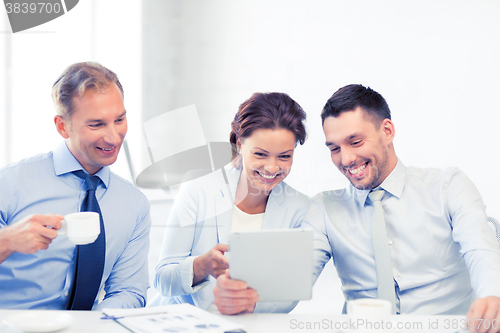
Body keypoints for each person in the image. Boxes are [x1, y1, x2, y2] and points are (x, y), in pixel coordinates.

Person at [213, 84, 500, 330]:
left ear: (387, 131)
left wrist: (492, 296)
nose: (346, 158)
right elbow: (294, 280)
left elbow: (480, 249)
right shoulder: (324, 209)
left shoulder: (448, 186)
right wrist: (252, 298)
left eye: (355, 141)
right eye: (334, 148)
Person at [0, 62, 151, 310]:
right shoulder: (9, 184)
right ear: (62, 126)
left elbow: (128, 290)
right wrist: (6, 241)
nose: (114, 137)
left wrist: (93, 325)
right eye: (96, 124)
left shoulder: (134, 204)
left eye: (120, 119)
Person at [153, 92, 310, 313]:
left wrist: (250, 304)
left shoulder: (300, 209)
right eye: (261, 154)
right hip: (184, 323)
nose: (272, 168)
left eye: (284, 156)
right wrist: (200, 266)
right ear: (240, 144)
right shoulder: (197, 190)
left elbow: (289, 293)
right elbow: (161, 278)